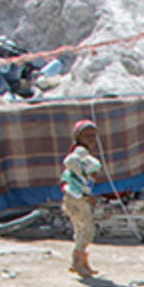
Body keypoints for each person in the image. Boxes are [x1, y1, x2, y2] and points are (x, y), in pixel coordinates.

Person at [60, 119, 103, 277]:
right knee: (87, 229)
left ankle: (82, 263)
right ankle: (78, 261)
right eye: (87, 135)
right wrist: (87, 193)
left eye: (93, 136)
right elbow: (73, 165)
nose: (91, 139)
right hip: (78, 196)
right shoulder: (80, 154)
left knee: (80, 228)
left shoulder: (82, 153)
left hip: (72, 195)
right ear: (79, 137)